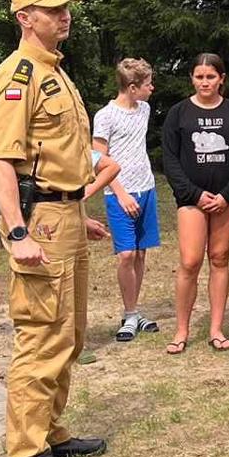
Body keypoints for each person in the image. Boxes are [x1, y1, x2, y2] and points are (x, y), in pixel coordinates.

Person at [0, 0, 110, 457]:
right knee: (41, 337)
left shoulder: (54, 72)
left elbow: (61, 158)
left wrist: (79, 211)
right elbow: (0, 164)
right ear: (24, 18)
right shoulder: (16, 78)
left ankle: (50, 432)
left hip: (67, 217)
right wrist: (17, 231)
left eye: (65, 7)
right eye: (52, 9)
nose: (64, 15)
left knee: (70, 334)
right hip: (40, 225)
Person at [158, 54, 229, 353]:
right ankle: (181, 330)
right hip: (191, 199)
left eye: (210, 77)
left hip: (226, 198)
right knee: (190, 261)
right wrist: (195, 194)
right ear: (192, 79)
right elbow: (170, 160)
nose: (205, 82)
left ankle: (216, 328)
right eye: (199, 77)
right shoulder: (178, 113)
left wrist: (227, 194)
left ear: (221, 78)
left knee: (220, 258)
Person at [93, 58, 161, 343]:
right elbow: (97, 158)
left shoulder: (144, 109)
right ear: (132, 88)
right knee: (126, 254)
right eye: (147, 85)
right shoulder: (105, 116)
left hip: (146, 187)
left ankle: (133, 311)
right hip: (118, 193)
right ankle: (130, 313)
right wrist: (120, 192)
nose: (152, 89)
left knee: (141, 253)